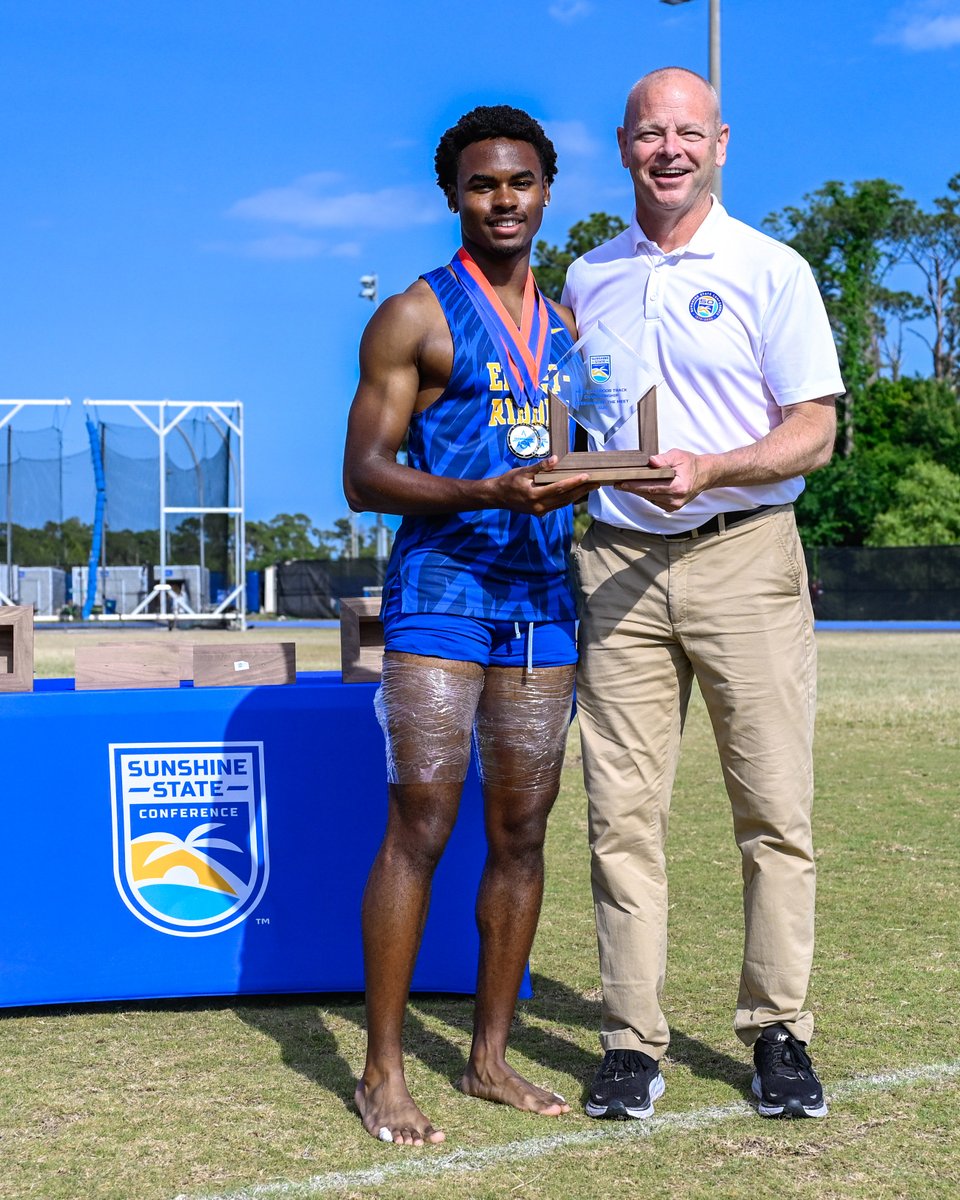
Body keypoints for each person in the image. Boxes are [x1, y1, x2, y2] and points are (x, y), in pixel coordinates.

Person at [562, 67, 844, 1122]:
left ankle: (779, 1033)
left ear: (721, 142)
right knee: (620, 818)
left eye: (688, 132)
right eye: (649, 133)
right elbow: (569, 419)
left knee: (773, 811)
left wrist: (715, 467)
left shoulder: (772, 268)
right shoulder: (585, 277)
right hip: (618, 563)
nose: (668, 149)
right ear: (623, 145)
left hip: (744, 550)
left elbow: (814, 425)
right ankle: (632, 1043)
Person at [343, 105, 591, 1146]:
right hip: (442, 594)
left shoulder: (572, 327)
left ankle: (490, 1059)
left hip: (542, 603)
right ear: (454, 194)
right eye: (485, 184)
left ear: (545, 192)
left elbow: (583, 452)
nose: (505, 199)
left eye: (522, 182)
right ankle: (383, 1070)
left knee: (522, 833)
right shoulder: (413, 313)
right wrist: (487, 489)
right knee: (424, 826)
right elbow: (362, 476)